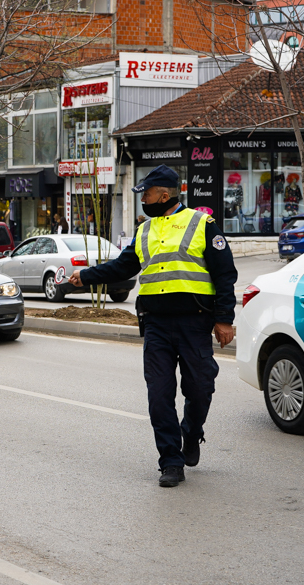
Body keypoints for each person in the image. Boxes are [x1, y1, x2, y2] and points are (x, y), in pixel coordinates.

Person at [68, 165, 237, 488]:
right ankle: (170, 462)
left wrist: (224, 319)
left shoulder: (202, 224)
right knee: (159, 397)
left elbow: (225, 274)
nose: (142, 198)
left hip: (194, 322)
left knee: (200, 389)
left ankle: (191, 432)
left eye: (145, 193)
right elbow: (123, 266)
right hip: (157, 324)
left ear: (164, 194)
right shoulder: (144, 230)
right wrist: (87, 275)